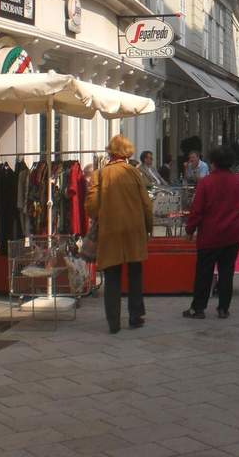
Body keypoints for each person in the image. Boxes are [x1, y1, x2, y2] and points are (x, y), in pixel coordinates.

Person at [182, 147, 239, 319]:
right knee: (227, 272)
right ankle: (223, 308)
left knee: (204, 272)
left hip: (210, 234)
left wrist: (190, 229)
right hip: (233, 233)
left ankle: (198, 308)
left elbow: (197, 210)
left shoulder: (206, 182)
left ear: (213, 163)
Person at [86, 134, 153, 334]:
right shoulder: (134, 173)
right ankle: (135, 316)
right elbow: (146, 205)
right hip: (134, 230)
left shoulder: (100, 174)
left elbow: (91, 205)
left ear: (111, 152)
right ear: (127, 152)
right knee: (135, 273)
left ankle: (113, 322)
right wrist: (148, 227)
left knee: (112, 275)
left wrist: (101, 214)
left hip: (110, 230)